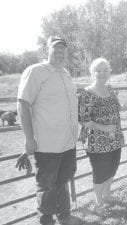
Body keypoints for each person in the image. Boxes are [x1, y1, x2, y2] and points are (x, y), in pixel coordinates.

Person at [16, 36, 79, 225]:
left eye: (63, 49)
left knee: (63, 180)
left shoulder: (65, 74)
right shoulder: (35, 71)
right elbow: (23, 103)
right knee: (47, 186)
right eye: (55, 49)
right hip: (47, 145)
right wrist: (29, 138)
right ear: (47, 51)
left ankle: (64, 217)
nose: (60, 52)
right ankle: (46, 221)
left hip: (67, 142)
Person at [78, 58, 124, 213]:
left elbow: (117, 107)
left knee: (113, 167)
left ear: (109, 72)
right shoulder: (87, 93)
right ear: (93, 73)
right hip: (96, 141)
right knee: (100, 172)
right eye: (99, 70)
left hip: (114, 138)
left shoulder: (110, 89)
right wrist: (105, 128)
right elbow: (84, 120)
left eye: (106, 70)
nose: (102, 73)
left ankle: (107, 194)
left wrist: (126, 107)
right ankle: (98, 203)